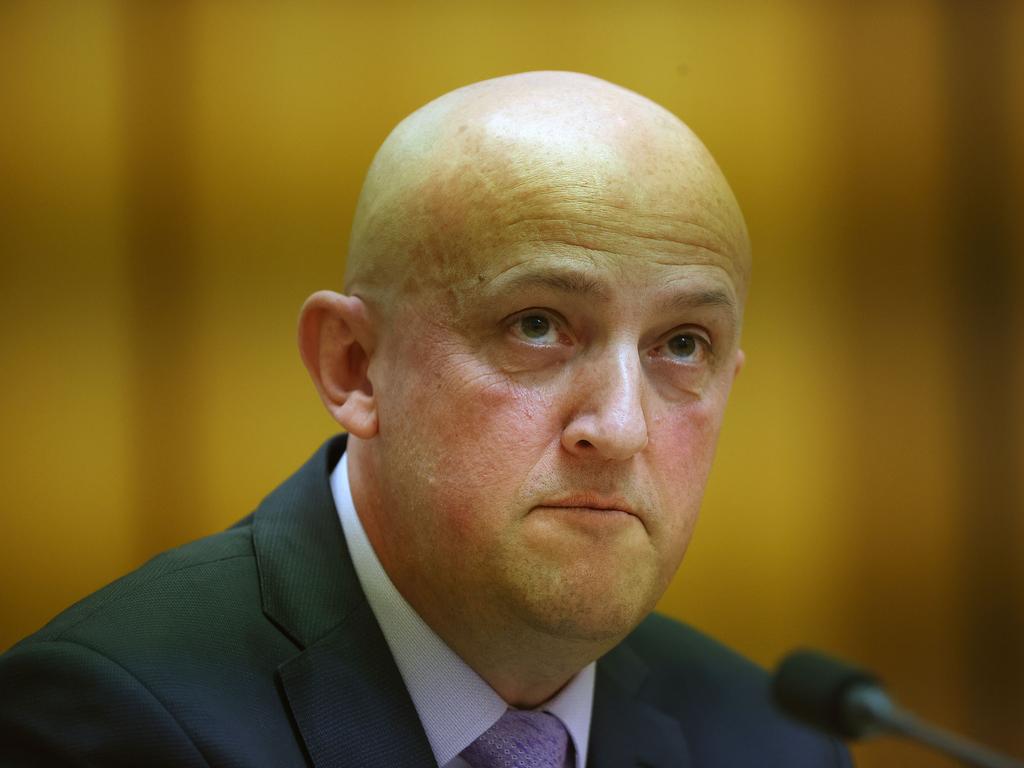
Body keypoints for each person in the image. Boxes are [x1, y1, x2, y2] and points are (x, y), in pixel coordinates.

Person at [0, 72, 850, 767]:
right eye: (537, 325)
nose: (621, 426)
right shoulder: (116, 721)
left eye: (683, 344)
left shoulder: (776, 741)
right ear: (355, 366)